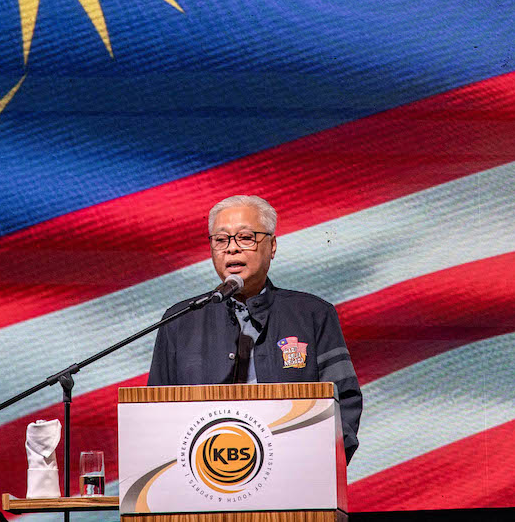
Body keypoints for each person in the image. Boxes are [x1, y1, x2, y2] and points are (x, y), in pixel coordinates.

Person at [148, 195, 363, 464]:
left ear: (272, 246)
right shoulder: (180, 321)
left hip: (293, 481)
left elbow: (344, 403)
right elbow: (155, 415)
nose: (232, 249)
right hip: (203, 483)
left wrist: (320, 469)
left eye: (246, 238)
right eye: (221, 240)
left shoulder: (312, 315)